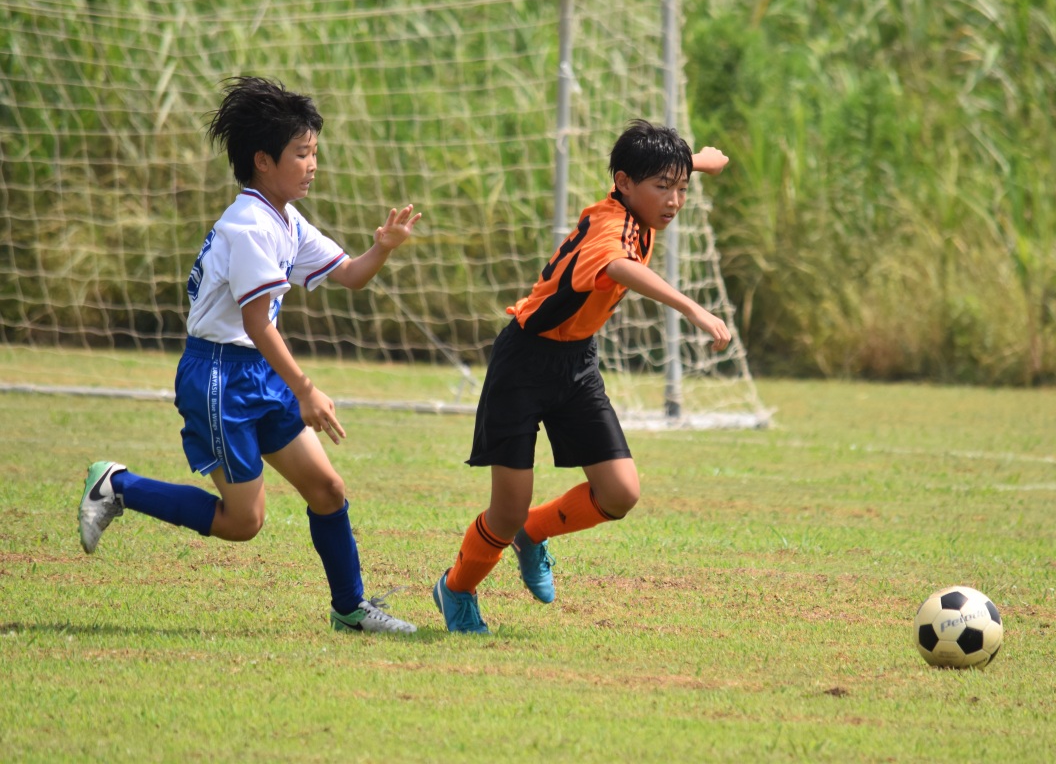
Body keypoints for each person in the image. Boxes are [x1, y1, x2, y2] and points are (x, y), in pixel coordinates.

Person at [78, 76, 421, 634]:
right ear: (263, 160)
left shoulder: (283, 217)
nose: (313, 165)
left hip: (256, 372)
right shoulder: (249, 226)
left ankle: (350, 610)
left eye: (314, 152)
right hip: (219, 375)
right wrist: (305, 389)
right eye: (302, 154)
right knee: (244, 522)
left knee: (328, 489)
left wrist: (381, 248)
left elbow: (351, 275)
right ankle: (118, 486)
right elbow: (258, 324)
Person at [432, 119, 731, 633]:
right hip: (524, 363)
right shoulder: (610, 225)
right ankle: (456, 588)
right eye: (663, 187)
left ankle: (532, 533)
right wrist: (692, 309)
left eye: (682, 187)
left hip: (576, 362)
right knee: (506, 510)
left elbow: (669, 174)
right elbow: (617, 266)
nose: (674, 200)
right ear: (623, 183)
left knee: (619, 493)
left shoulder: (642, 201)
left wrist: (698, 161)